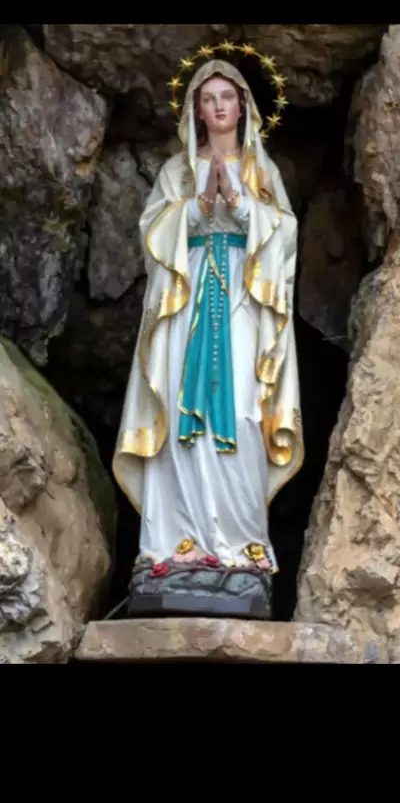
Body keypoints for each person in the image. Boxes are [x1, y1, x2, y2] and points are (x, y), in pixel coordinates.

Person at [113, 56, 303, 583]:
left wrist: (239, 203)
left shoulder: (263, 171)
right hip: (186, 296)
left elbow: (286, 236)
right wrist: (197, 206)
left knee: (243, 413)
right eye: (208, 99)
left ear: (243, 106)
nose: (219, 107)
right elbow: (151, 234)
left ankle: (244, 545)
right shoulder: (176, 171)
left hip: (244, 297)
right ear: (196, 110)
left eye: (227, 98)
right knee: (178, 413)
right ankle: (174, 545)